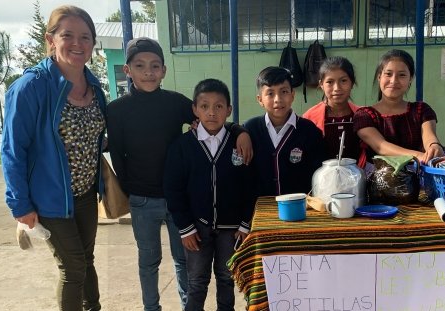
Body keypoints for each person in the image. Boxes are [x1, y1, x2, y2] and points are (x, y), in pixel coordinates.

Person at [107, 37, 252, 311]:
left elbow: (213, 114)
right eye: (140, 66)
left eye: (155, 66)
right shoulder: (116, 110)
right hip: (143, 199)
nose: (148, 72)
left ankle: (188, 305)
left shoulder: (176, 103)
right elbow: (116, 154)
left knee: (184, 261)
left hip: (181, 202)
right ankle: (152, 307)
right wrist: (129, 189)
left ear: (164, 70)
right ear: (127, 70)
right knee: (148, 260)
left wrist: (240, 130)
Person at [1, 5, 105, 310]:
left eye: (85, 37)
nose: (77, 43)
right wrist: (19, 203)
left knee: (86, 261)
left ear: (92, 44)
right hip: (49, 199)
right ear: (51, 39)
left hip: (85, 195)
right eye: (67, 35)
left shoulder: (95, 86)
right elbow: (12, 149)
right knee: (73, 269)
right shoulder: (31, 87)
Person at [163, 79, 256, 311]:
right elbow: (173, 190)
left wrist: (245, 224)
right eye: (204, 106)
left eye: (218, 106)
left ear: (229, 110)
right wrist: (185, 228)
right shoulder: (183, 146)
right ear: (195, 109)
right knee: (196, 283)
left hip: (231, 229)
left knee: (226, 279)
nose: (211, 113)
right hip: (197, 227)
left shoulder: (239, 143)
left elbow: (250, 186)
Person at [354, 49, 444, 166]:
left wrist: (434, 146)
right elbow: (380, 147)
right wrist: (419, 156)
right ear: (379, 77)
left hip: (419, 178)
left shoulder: (421, 110)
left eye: (402, 75)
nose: (394, 80)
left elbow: (429, 137)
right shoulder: (364, 115)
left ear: (410, 78)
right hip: (380, 181)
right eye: (388, 74)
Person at [244, 66, 325, 196]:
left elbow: (319, 174)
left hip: (299, 208)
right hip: (261, 209)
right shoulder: (249, 130)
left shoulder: (309, 130)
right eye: (270, 93)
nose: (278, 99)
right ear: (260, 100)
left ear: (292, 95)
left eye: (284, 92)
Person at [302, 56, 360, 160]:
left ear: (352, 83)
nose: (337, 88)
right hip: (320, 175)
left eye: (343, 81)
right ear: (321, 84)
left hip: (357, 175)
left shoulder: (362, 115)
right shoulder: (309, 118)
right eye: (330, 82)